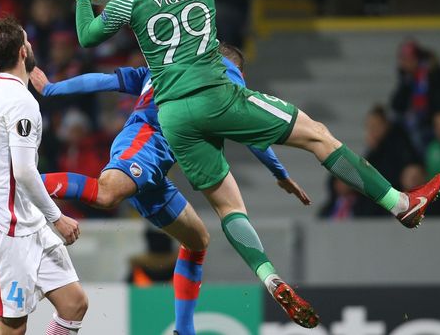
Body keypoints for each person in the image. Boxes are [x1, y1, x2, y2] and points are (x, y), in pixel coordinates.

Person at [66, 0, 440, 328]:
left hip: (173, 116)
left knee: (229, 207)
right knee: (318, 137)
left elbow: (88, 35)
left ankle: (269, 276)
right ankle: (401, 204)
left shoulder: (129, 0)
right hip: (217, 95)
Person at [23, 42, 308, 335]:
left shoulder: (159, 69)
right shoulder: (218, 79)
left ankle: (183, 331)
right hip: (144, 140)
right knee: (106, 193)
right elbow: (252, 133)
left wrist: (53, 89)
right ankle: (17, 182)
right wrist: (279, 172)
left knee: (197, 241)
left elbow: (105, 80)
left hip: (155, 169)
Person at [0, 17, 87, 334]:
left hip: (27, 220)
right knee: (12, 329)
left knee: (74, 303)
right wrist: (57, 217)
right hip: (3, 229)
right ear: (24, 51)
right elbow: (23, 170)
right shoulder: (22, 103)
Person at [390, 40, 440, 151]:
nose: (405, 63)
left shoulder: (435, 74)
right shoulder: (407, 79)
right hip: (417, 125)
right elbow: (396, 104)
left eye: (408, 59)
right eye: (403, 59)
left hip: (433, 125)